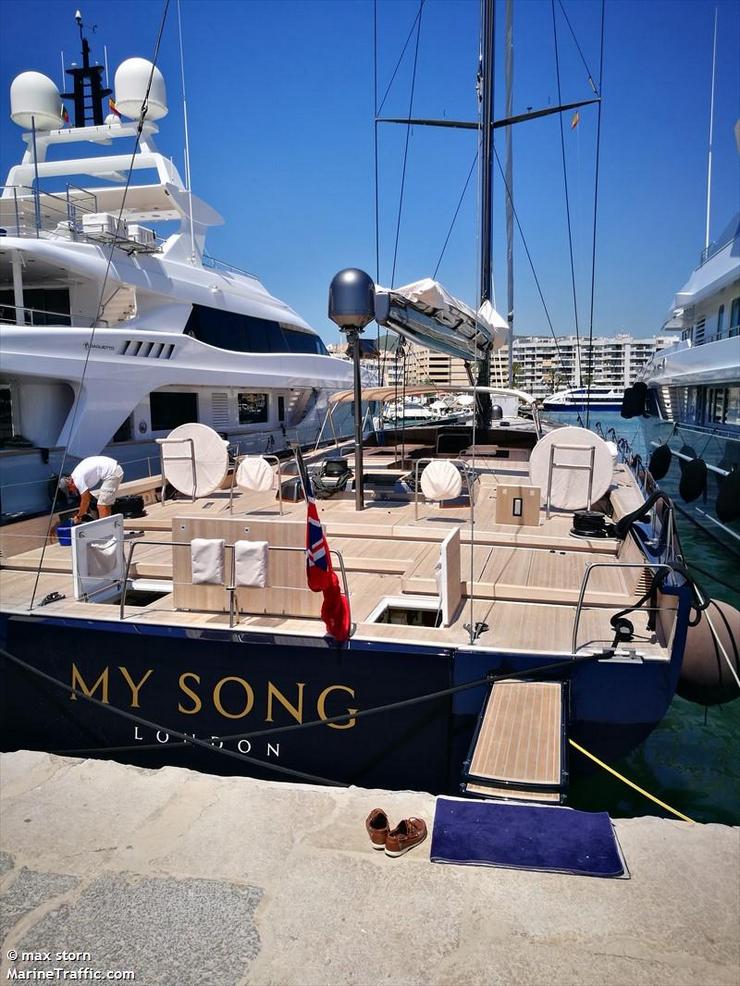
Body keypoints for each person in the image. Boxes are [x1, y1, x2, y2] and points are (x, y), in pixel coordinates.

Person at [58, 456, 124, 522]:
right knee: (105, 504)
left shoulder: (77, 480)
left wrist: (79, 516)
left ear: (69, 484)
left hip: (112, 473)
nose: (72, 491)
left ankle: (103, 530)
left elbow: (86, 499)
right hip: (114, 469)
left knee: (102, 505)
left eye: (70, 490)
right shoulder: (76, 475)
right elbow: (88, 496)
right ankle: (109, 526)